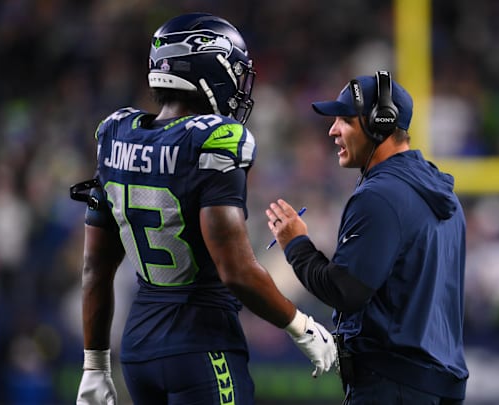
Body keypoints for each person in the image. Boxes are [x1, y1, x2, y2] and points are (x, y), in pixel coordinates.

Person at [70, 13, 336, 405]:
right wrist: (301, 326)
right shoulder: (214, 139)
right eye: (234, 71)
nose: (239, 85)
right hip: (201, 344)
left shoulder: (115, 133)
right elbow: (237, 271)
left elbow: (95, 266)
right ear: (208, 69)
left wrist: (94, 364)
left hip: (139, 344)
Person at [265, 71, 469, 404]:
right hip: (434, 385)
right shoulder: (437, 190)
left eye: (345, 119)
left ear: (380, 123)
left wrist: (295, 244)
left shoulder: (382, 195)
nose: (332, 130)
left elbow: (345, 291)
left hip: (392, 385)